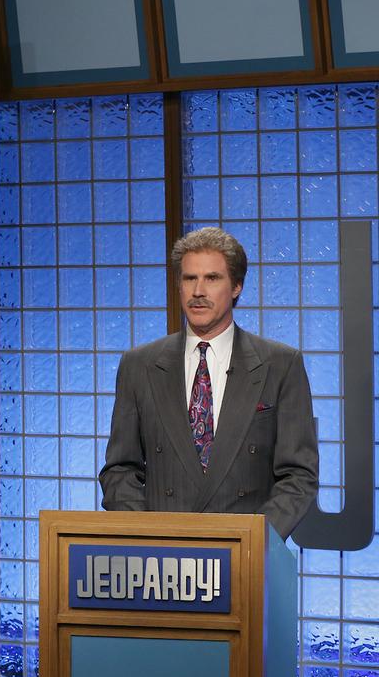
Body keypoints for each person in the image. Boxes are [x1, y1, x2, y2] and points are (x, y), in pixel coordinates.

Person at [98, 226, 318, 538]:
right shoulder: (139, 365)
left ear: (237, 286)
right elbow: (120, 470)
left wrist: (254, 541)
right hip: (162, 554)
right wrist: (148, 538)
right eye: (190, 278)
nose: (198, 291)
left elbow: (298, 476)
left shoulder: (281, 365)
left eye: (212, 278)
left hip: (244, 552)